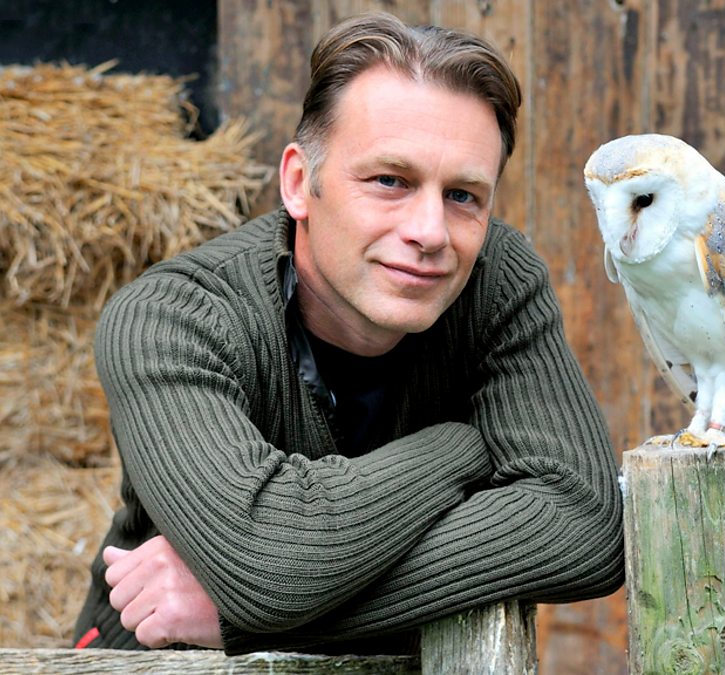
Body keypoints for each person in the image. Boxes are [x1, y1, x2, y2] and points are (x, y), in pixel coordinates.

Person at [72, 12, 624, 655]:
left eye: (463, 195)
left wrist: (249, 617)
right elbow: (270, 565)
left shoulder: (496, 282)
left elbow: (585, 524)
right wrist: (462, 449)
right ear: (298, 184)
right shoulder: (171, 317)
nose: (430, 232)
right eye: (390, 181)